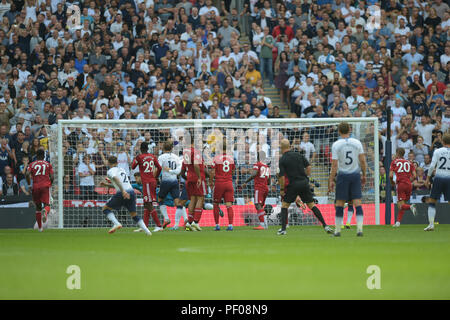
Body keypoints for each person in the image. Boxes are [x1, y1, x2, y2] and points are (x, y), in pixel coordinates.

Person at [278, 139, 332, 235]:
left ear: (281, 148)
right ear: (290, 146)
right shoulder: (299, 155)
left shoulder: (283, 159)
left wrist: (282, 189)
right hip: (304, 183)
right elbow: (309, 167)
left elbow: (282, 177)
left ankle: (283, 230)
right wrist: (306, 176)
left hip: (293, 184)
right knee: (311, 205)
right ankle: (325, 225)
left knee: (284, 205)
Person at [328, 122, 367, 237]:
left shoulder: (336, 145)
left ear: (339, 131)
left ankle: (338, 231)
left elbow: (334, 165)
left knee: (339, 203)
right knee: (357, 202)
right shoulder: (357, 143)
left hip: (343, 175)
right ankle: (359, 229)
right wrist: (364, 174)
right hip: (355, 175)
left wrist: (331, 179)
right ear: (349, 130)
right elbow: (363, 161)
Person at [100, 156, 151, 236]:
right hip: (131, 192)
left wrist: (123, 191)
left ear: (108, 163)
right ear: (117, 163)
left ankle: (116, 223)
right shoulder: (122, 170)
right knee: (134, 215)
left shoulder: (110, 171)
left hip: (122, 193)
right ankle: (148, 232)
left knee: (105, 209)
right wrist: (107, 185)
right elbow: (120, 183)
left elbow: (117, 179)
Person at [131, 142, 163, 233]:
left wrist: (136, 158)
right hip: (151, 181)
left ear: (141, 149)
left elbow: (133, 167)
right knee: (146, 204)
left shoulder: (139, 157)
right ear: (147, 148)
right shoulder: (153, 157)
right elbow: (159, 168)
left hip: (147, 183)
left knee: (149, 204)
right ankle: (144, 226)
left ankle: (159, 225)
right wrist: (155, 177)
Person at [424, 133, 450, 231]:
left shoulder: (438, 151)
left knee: (432, 201)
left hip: (439, 178)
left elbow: (431, 166)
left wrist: (427, 179)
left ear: (443, 141)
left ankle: (431, 224)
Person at [182, 137, 207, 231]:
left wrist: (187, 177)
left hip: (189, 177)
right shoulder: (195, 152)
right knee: (200, 198)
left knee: (193, 199)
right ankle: (195, 222)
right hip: (197, 178)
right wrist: (199, 177)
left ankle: (189, 222)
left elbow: (183, 167)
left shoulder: (186, 152)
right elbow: (196, 164)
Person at [240, 151, 270, 230]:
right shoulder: (266, 167)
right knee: (261, 206)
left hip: (259, 188)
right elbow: (269, 181)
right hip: (265, 188)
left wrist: (245, 182)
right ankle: (265, 224)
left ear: (258, 157)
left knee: (257, 205)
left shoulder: (257, 165)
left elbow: (254, 174)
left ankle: (262, 225)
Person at [210, 139, 235, 231]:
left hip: (219, 183)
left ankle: (217, 225)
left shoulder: (216, 158)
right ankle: (230, 225)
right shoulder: (231, 158)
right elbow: (233, 170)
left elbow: (212, 171)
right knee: (229, 204)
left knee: (216, 204)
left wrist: (211, 182)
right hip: (229, 183)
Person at [26, 149, 53, 232]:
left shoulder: (31, 164)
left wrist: (29, 183)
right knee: (47, 204)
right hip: (45, 186)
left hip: (35, 186)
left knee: (38, 208)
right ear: (43, 156)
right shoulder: (48, 164)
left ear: (36, 156)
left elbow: (27, 174)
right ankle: (44, 212)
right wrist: (50, 183)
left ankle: (40, 228)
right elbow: (52, 176)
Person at [389, 148, 417, 228]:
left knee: (401, 205)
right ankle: (398, 223)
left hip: (400, 184)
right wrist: (408, 180)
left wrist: (392, 182)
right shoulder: (409, 162)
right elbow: (415, 176)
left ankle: (411, 206)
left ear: (397, 153)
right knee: (401, 204)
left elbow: (390, 175)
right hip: (409, 185)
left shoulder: (394, 162)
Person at [157, 140, 182, 229]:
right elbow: (179, 171)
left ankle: (167, 219)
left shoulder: (161, 157)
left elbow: (158, 168)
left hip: (166, 181)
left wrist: (155, 177)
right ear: (172, 148)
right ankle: (178, 224)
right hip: (175, 181)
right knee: (178, 202)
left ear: (163, 148)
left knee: (160, 199)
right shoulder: (176, 157)